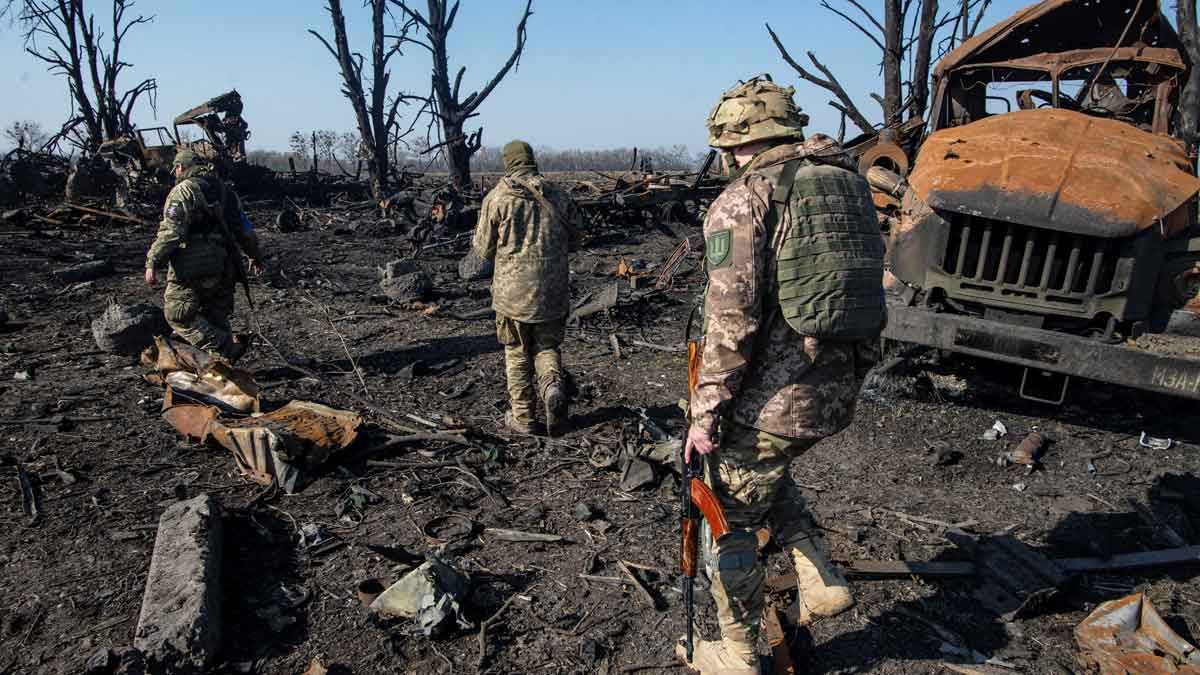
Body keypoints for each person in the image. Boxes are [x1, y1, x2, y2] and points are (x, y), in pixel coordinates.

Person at [681, 76, 885, 673]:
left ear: (729, 137)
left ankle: (739, 652)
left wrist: (705, 414)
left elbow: (731, 321)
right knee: (765, 469)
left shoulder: (744, 200)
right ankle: (820, 574)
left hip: (774, 398)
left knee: (725, 510)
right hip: (836, 385)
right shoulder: (846, 183)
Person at [474, 140, 582, 436]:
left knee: (516, 352)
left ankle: (523, 417)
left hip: (513, 297)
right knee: (547, 347)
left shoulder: (498, 198)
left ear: (507, 162)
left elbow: (483, 249)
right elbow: (577, 239)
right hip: (553, 292)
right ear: (532, 160)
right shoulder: (559, 195)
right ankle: (552, 389)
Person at [145, 148, 264, 362]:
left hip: (192, 266)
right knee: (215, 316)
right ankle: (222, 370)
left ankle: (224, 347)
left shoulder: (184, 191)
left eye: (177, 168)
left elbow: (171, 233)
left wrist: (152, 261)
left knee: (177, 314)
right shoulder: (227, 193)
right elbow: (245, 231)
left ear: (181, 167)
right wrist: (254, 256)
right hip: (225, 266)